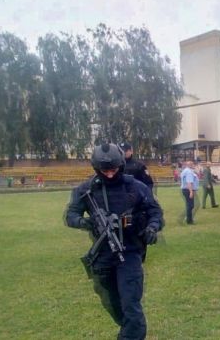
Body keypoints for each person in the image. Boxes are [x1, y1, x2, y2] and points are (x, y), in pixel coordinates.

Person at [65, 143, 163, 340]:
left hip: (129, 252)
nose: (110, 174)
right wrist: (87, 222)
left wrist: (153, 227)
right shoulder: (86, 190)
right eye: (104, 170)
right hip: (102, 254)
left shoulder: (136, 187)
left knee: (130, 304)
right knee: (111, 302)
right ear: (96, 168)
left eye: (113, 169)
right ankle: (128, 331)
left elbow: (155, 211)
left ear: (121, 166)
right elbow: (70, 216)